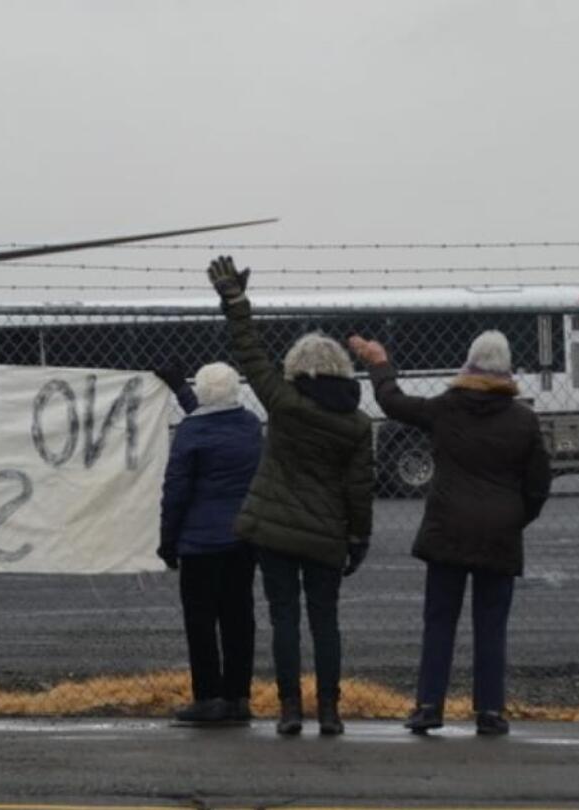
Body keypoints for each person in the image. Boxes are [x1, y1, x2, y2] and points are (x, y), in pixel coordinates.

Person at [349, 331, 551, 736]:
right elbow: (538, 485)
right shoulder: (524, 420)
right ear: (507, 369)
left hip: (448, 530)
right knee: (491, 625)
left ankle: (428, 706)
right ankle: (490, 711)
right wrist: (514, 516)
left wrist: (379, 363)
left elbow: (392, 402)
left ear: (468, 364)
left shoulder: (446, 408)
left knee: (439, 621)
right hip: (499, 534)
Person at [207, 255, 374, 736]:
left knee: (284, 620)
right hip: (326, 533)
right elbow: (359, 488)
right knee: (325, 622)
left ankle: (288, 711)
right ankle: (330, 710)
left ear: (297, 369)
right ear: (343, 370)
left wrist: (236, 303)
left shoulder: (283, 403)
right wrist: (358, 536)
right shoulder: (358, 426)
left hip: (275, 530)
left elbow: (250, 354)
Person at [159, 362, 262, 724]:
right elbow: (215, 425)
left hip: (200, 542)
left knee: (200, 621)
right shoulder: (249, 426)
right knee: (239, 618)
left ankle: (208, 697)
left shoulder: (192, 432)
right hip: (242, 538)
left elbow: (176, 490)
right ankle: (238, 697)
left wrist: (168, 541)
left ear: (200, 391)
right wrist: (180, 390)